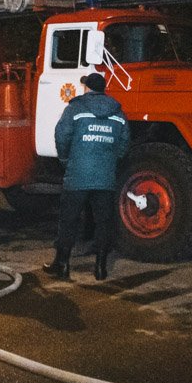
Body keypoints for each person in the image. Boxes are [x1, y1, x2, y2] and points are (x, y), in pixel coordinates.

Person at [44, 72, 129, 281]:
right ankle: (100, 268)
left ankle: (62, 265)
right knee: (103, 222)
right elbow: (124, 144)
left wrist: (65, 160)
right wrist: (110, 160)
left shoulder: (75, 109)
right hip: (105, 178)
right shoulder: (118, 114)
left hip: (78, 176)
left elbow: (61, 135)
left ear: (87, 88)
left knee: (69, 220)